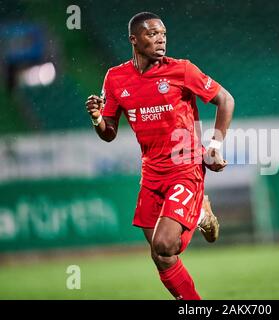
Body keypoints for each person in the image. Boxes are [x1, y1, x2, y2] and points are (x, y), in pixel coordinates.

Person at [85, 12, 234, 300]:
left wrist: (214, 145)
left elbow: (225, 99)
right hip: (151, 173)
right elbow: (110, 132)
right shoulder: (116, 78)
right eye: (152, 34)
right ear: (134, 40)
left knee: (165, 243)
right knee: (161, 253)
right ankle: (201, 217)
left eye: (163, 33)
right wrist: (96, 119)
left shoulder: (182, 70)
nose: (161, 38)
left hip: (185, 165)